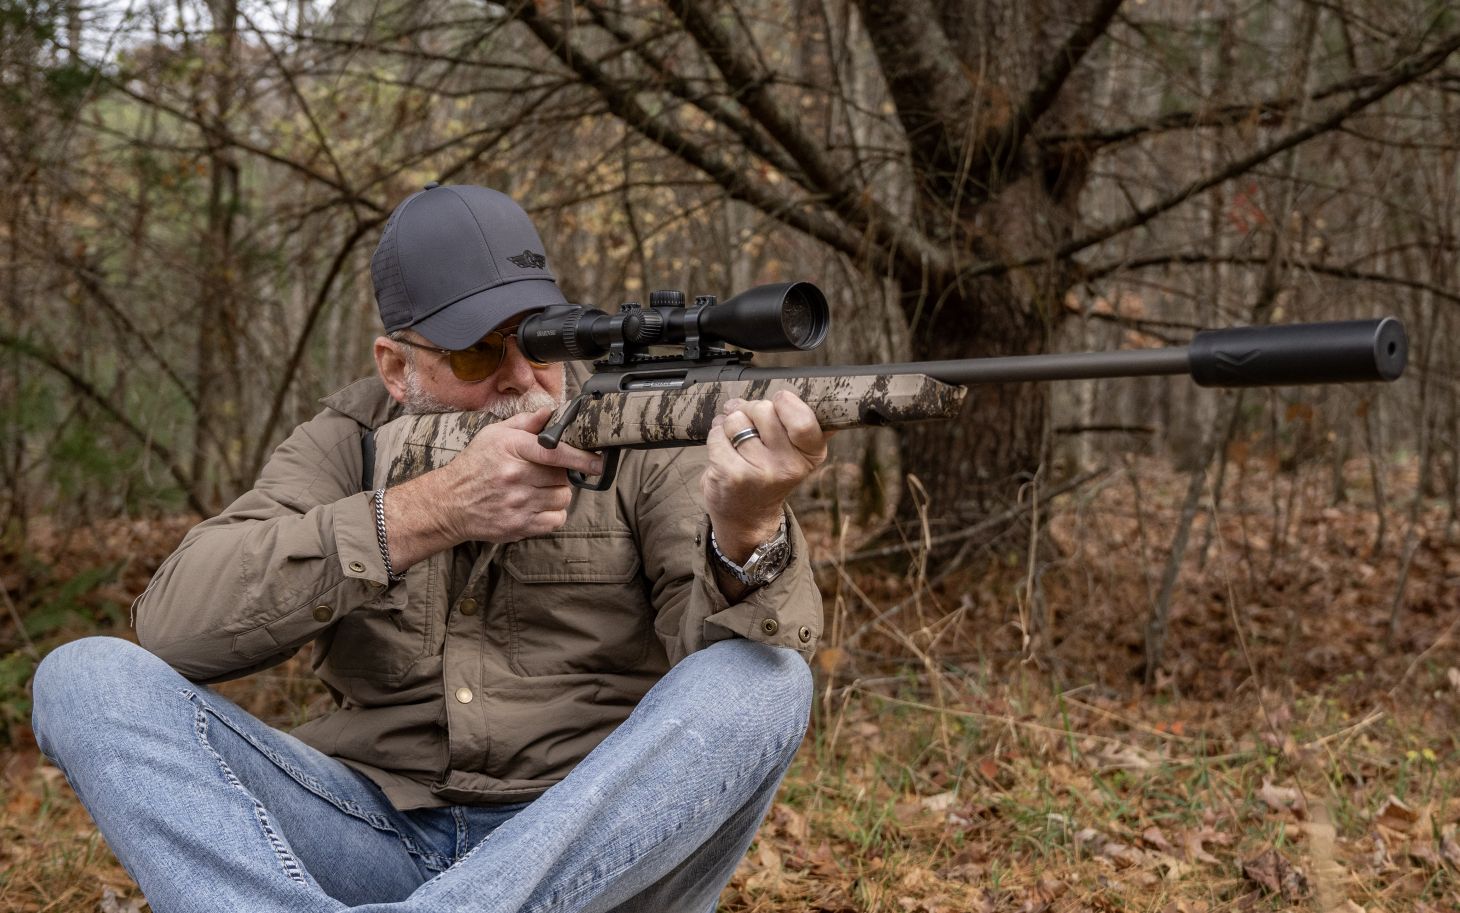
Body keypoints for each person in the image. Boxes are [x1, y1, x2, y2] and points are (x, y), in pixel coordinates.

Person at [30, 183, 829, 913]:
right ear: (396, 366)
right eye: (478, 353)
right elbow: (172, 626)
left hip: (592, 852)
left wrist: (747, 530)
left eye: (540, 342)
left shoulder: (641, 426)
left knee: (764, 679)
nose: (520, 377)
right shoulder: (347, 443)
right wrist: (424, 513)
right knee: (84, 677)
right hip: (368, 830)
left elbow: (711, 673)